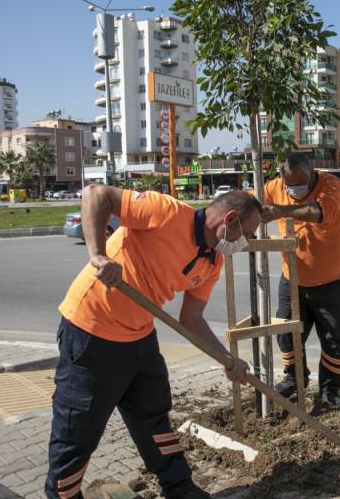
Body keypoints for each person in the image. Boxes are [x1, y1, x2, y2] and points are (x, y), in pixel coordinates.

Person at [47, 185, 260, 499]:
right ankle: (63, 495)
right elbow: (96, 194)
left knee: (154, 419)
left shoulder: (211, 263)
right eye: (249, 233)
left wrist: (227, 360)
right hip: (91, 332)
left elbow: (192, 320)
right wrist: (98, 256)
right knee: (77, 431)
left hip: (140, 338)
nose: (248, 242)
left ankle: (180, 489)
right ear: (229, 219)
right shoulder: (167, 212)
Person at [261, 153, 340, 408]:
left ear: (311, 172)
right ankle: (294, 378)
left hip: (333, 280)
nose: (293, 189)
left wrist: (283, 211)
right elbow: (253, 202)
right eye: (288, 184)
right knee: (285, 333)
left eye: (299, 183)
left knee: (333, 340)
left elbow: (319, 213)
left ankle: (329, 391)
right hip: (292, 278)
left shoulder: (330, 185)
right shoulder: (275, 187)